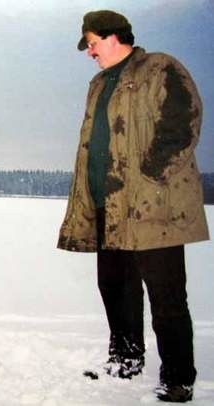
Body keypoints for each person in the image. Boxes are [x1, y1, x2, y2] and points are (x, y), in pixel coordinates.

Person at [57, 10, 209, 403]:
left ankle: (178, 377)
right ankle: (125, 359)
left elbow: (184, 122)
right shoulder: (99, 84)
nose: (89, 52)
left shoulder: (159, 68)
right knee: (115, 288)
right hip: (109, 207)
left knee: (167, 296)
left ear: (113, 36)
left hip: (151, 209)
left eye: (91, 43)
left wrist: (151, 173)